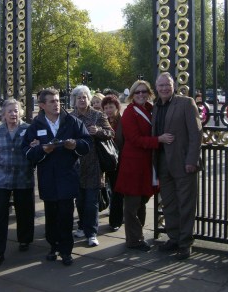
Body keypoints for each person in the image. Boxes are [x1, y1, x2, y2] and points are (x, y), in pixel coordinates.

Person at [22, 88, 91, 266]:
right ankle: (53, 246)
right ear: (42, 105)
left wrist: (75, 143)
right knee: (51, 215)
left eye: (58, 100)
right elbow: (27, 152)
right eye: (52, 101)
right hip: (48, 179)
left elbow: (87, 144)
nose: (57, 104)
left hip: (68, 176)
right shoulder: (35, 126)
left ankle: (66, 251)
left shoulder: (72, 122)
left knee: (66, 215)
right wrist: (41, 149)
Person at [115, 80, 174, 252]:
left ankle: (137, 236)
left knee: (142, 201)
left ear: (149, 93)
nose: (141, 95)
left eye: (144, 91)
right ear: (132, 95)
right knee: (132, 205)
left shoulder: (150, 109)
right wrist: (159, 140)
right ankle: (133, 240)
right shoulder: (129, 113)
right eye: (137, 92)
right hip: (133, 164)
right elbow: (134, 139)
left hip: (147, 163)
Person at [152, 72, 203, 260]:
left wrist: (191, 160)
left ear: (173, 86)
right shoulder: (156, 107)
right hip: (162, 162)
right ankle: (173, 238)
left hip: (183, 163)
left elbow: (196, 133)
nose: (164, 88)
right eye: (161, 86)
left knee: (186, 204)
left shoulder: (186, 103)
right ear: (156, 88)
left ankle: (185, 243)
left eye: (167, 85)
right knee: (169, 204)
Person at [0, 99, 35, 267]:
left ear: (20, 112)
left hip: (23, 177)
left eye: (16, 111)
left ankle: (24, 239)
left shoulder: (28, 129)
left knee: (25, 211)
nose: (13, 114)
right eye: (10, 111)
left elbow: (34, 153)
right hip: (2, 178)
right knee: (0, 216)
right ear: (3, 114)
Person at [70, 85, 114, 247]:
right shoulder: (70, 117)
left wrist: (99, 131)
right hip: (76, 165)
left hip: (94, 164)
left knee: (91, 201)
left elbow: (111, 134)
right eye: (79, 97)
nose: (82, 100)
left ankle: (92, 232)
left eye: (84, 97)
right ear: (74, 100)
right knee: (80, 201)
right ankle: (81, 225)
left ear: (89, 99)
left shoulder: (97, 115)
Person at [101, 94, 124, 231]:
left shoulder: (122, 121)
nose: (108, 110)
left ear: (117, 107)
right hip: (105, 160)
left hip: (118, 160)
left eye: (111, 107)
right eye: (106, 107)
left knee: (117, 192)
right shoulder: (102, 121)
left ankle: (116, 220)